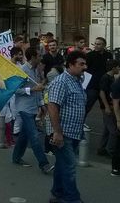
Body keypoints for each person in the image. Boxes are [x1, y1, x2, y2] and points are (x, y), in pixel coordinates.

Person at [47, 50, 88, 203]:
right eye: (81, 64)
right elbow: (52, 106)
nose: (85, 67)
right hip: (63, 133)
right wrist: (57, 132)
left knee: (62, 165)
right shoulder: (61, 81)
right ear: (70, 65)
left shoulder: (76, 80)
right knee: (69, 166)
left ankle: (57, 194)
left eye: (85, 63)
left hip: (74, 131)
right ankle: (72, 199)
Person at [12, 47, 54, 173]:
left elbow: (39, 88)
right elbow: (14, 90)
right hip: (23, 108)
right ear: (33, 58)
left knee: (24, 136)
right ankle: (44, 164)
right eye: (39, 56)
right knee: (34, 136)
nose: (41, 58)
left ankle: (16, 157)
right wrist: (31, 90)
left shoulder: (37, 70)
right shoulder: (21, 70)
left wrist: (41, 104)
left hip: (33, 107)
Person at [85, 37, 113, 130]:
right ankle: (80, 123)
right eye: (95, 44)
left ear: (104, 45)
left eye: (99, 44)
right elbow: (84, 69)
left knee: (106, 108)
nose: (96, 46)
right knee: (86, 107)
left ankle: (109, 127)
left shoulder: (108, 55)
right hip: (92, 86)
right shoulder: (90, 56)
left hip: (104, 86)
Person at [98, 59, 120, 157]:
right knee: (113, 131)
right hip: (107, 107)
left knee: (107, 129)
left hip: (110, 106)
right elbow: (102, 92)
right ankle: (110, 150)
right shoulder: (106, 78)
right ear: (113, 68)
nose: (119, 68)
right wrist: (106, 106)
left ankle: (102, 148)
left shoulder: (112, 78)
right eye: (118, 67)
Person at [111, 73, 120, 176]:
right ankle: (115, 168)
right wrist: (118, 120)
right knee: (118, 144)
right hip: (119, 115)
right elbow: (116, 103)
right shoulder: (117, 84)